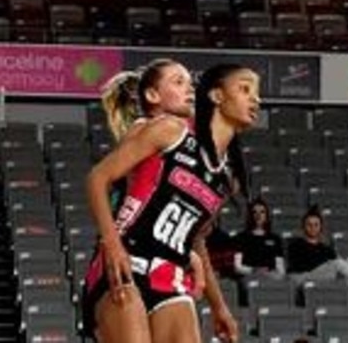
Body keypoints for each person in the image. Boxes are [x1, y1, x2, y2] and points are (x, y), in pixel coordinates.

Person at [82, 63, 260, 342]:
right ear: (216, 96)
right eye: (245, 89)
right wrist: (112, 242)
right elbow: (99, 179)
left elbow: (196, 239)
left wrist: (219, 307)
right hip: (129, 259)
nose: (256, 99)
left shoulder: (226, 178)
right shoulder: (162, 129)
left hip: (170, 273)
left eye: (190, 83)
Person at [284, 207, 348, 288]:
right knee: (338, 264)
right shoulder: (295, 244)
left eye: (316, 225)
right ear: (304, 226)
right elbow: (298, 266)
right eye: (309, 225)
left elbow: (335, 259)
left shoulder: (324, 247)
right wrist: (324, 262)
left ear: (320, 226)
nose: (313, 228)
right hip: (299, 277)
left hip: (316, 276)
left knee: (344, 274)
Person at [231, 197, 286, 279]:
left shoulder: (275, 239)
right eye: (255, 212)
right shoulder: (241, 238)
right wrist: (254, 270)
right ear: (250, 215)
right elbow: (237, 266)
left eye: (262, 212)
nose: (258, 215)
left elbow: (281, 270)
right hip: (248, 276)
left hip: (270, 278)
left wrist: (269, 274)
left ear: (267, 216)